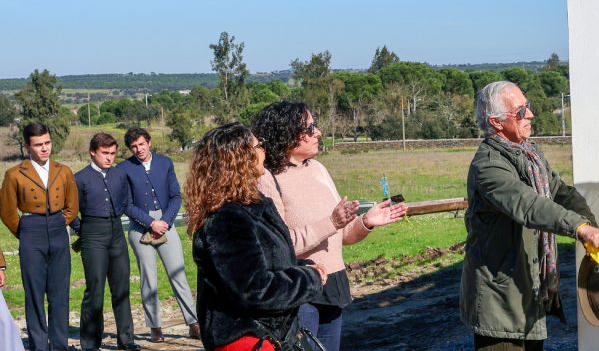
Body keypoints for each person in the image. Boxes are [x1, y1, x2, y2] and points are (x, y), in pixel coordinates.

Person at [460, 81, 599, 350]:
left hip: (528, 295)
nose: (530, 115)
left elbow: (560, 192)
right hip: (500, 303)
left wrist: (589, 225)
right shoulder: (488, 166)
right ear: (497, 122)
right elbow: (529, 206)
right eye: (520, 111)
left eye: (527, 107)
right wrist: (580, 228)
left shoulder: (531, 156)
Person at [251, 101, 408, 351]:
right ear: (287, 133)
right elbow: (279, 245)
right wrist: (331, 222)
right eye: (310, 127)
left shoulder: (319, 169)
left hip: (332, 283)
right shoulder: (267, 179)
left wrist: (366, 222)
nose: (318, 132)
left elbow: (342, 234)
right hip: (299, 290)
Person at [187, 123, 327, 350]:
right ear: (240, 158)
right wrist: (309, 279)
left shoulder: (253, 205)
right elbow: (254, 289)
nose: (264, 150)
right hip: (248, 340)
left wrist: (305, 267)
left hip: (273, 336)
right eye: (259, 146)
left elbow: (267, 262)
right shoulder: (226, 218)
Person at [0, 123, 79, 351]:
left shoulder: (63, 171)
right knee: (34, 295)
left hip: (57, 228)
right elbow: (7, 212)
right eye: (38, 145)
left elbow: (72, 207)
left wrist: (57, 224)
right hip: (30, 231)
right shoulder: (14, 174)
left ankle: (59, 346)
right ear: (28, 146)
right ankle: (38, 346)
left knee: (60, 294)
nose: (44, 148)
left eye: (47, 143)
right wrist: (25, 232)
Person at [119, 127, 200, 342]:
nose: (138, 149)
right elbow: (125, 204)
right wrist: (150, 222)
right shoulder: (124, 168)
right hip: (139, 226)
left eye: (141, 144)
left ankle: (193, 323)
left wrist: (164, 221)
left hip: (166, 222)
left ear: (149, 142)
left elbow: (175, 196)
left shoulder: (165, 163)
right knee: (149, 279)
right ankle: (155, 327)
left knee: (178, 274)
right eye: (134, 146)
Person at [74, 133, 140, 350]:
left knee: (121, 287)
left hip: (116, 232)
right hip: (92, 232)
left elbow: (125, 201)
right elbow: (72, 210)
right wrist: (81, 230)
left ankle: (126, 339)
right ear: (93, 152)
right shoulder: (80, 178)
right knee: (95, 290)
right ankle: (91, 342)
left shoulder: (119, 175)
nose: (109, 158)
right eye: (105, 153)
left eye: (112, 153)